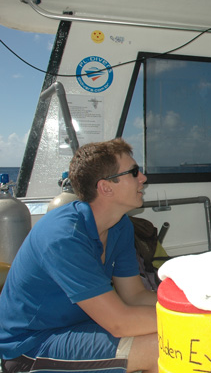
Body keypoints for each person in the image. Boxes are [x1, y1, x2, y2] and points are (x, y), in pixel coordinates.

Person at [0, 139, 158, 373]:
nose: (143, 178)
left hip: (77, 326)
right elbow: (120, 322)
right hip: (29, 347)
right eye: (134, 172)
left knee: (170, 334)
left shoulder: (119, 225)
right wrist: (191, 321)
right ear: (106, 187)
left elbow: (134, 296)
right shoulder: (64, 236)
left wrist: (196, 307)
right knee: (160, 347)